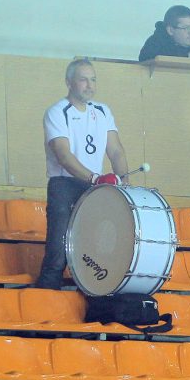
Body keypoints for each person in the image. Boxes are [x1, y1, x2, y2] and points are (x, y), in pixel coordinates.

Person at [34, 58, 129, 290]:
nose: (90, 85)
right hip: (64, 186)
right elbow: (64, 156)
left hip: (94, 188)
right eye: (83, 80)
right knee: (58, 252)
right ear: (69, 82)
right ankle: (44, 305)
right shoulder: (57, 112)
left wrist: (125, 182)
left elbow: (116, 150)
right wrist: (95, 178)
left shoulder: (103, 111)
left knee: (94, 251)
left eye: (93, 79)